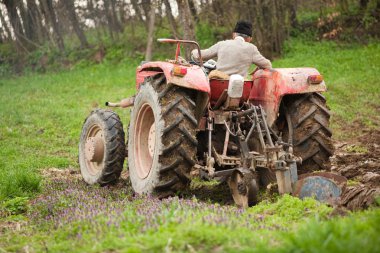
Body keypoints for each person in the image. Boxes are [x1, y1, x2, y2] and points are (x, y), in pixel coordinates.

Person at [191, 20, 272, 78]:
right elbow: (268, 65)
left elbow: (200, 55)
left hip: (218, 84)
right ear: (250, 38)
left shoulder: (222, 44)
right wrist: (259, 67)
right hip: (239, 88)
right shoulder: (251, 48)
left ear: (234, 34)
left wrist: (194, 51)